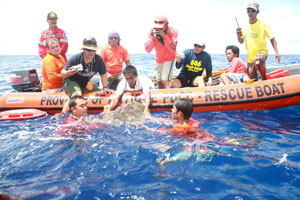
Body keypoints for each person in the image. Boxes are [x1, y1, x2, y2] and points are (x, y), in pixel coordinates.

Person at [61, 37, 112, 113]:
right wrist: (68, 73)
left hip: (85, 83)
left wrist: (105, 87)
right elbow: (62, 73)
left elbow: (103, 73)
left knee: (100, 93)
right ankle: (62, 115)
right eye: (89, 50)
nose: (91, 52)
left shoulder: (98, 59)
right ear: (84, 49)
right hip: (71, 81)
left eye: (93, 50)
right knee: (77, 97)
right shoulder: (75, 58)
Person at [236, 2, 280, 80]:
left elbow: (272, 38)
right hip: (250, 56)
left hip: (262, 52)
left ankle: (264, 78)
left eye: (252, 10)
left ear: (257, 12)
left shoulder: (263, 24)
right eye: (248, 10)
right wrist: (238, 34)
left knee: (258, 61)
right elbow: (241, 41)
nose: (250, 13)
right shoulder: (244, 27)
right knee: (252, 77)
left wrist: (276, 52)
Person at [145, 14, 178, 89]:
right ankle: (162, 98)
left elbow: (173, 50)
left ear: (166, 25)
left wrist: (165, 37)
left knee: (165, 79)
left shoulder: (173, 31)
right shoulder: (151, 32)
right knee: (159, 80)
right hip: (158, 59)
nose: (158, 29)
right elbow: (148, 50)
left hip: (169, 58)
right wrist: (152, 39)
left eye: (161, 28)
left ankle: (169, 98)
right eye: (156, 27)